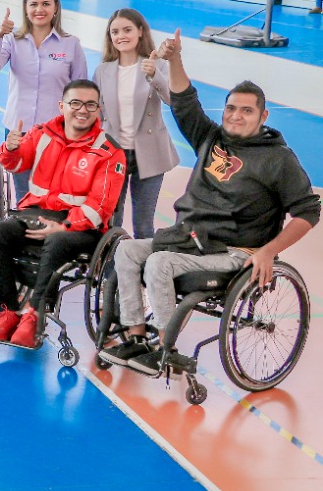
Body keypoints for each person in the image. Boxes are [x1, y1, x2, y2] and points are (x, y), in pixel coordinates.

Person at [100, 31, 320, 375]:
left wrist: (268, 251)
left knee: (159, 263)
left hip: (235, 251)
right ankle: (137, 337)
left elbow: (309, 211)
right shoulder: (211, 137)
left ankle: (166, 349)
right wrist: (175, 59)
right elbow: (184, 100)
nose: (235, 116)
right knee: (126, 250)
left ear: (263, 116)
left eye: (246, 111)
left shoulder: (279, 160)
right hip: (191, 239)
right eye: (231, 108)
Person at [0, 79, 126, 348]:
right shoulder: (43, 133)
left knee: (57, 240)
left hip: (82, 228)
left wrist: (66, 226)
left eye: (90, 105)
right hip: (36, 214)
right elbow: (15, 163)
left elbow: (101, 206)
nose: (82, 110)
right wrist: (10, 148)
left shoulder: (109, 151)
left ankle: (35, 314)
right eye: (75, 103)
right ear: (62, 106)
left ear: (99, 109)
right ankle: (9, 311)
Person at [0, 0, 87, 197]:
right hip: (18, 131)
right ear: (26, 8)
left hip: (57, 133)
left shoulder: (71, 44)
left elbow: (81, 89)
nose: (40, 9)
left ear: (56, 7)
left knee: (54, 192)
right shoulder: (12, 40)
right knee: (25, 195)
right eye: (34, 4)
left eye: (46, 4)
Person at [92, 9, 178, 238]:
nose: (121, 36)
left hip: (149, 152)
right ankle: (111, 261)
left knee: (143, 225)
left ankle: (144, 262)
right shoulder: (102, 71)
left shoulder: (157, 65)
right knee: (111, 221)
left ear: (140, 31)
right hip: (113, 154)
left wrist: (155, 75)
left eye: (127, 30)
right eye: (115, 32)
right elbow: (96, 112)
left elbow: (172, 99)